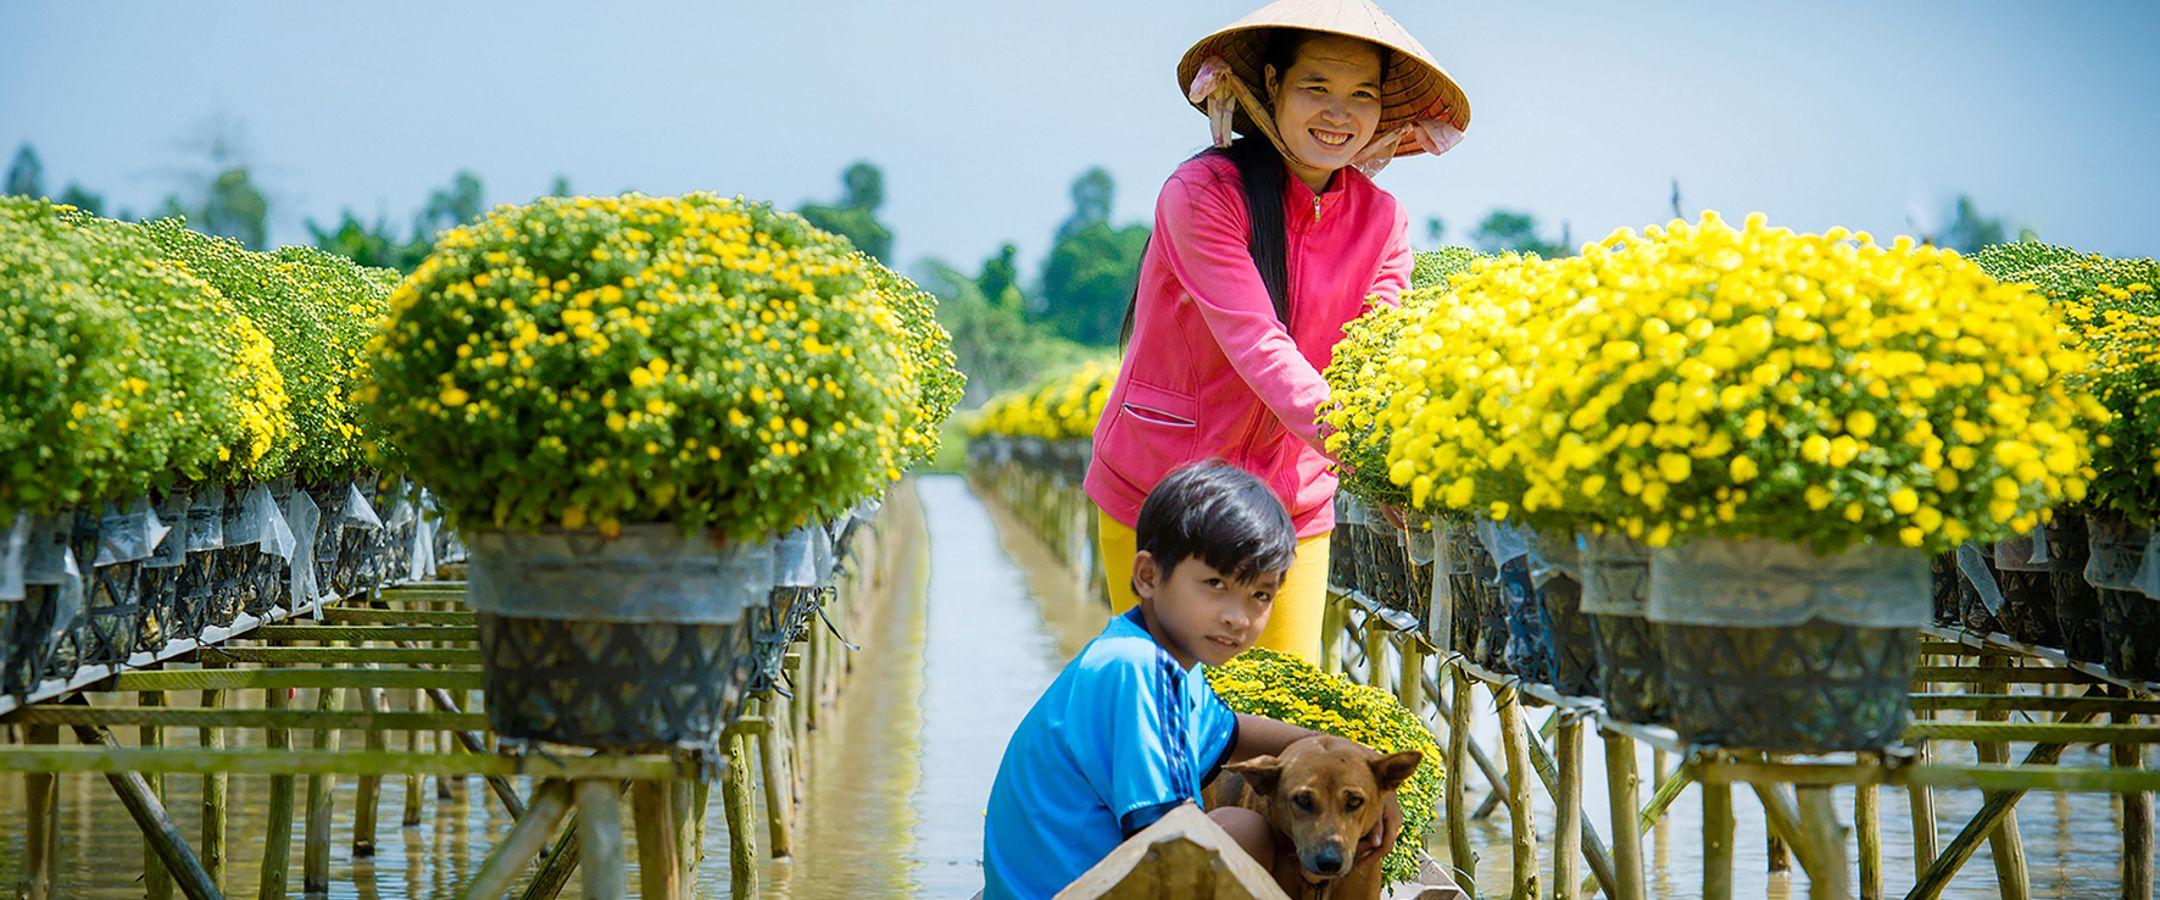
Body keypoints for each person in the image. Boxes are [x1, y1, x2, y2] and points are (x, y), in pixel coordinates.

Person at [1083, 0, 1472, 663]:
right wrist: (1364, 455)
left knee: (1283, 705)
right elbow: (1259, 344)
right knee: (1160, 699)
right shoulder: (1202, 193)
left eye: (1362, 94)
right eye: (1316, 87)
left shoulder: (1384, 222)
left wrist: (1399, 459)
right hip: (1161, 490)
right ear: (1272, 85)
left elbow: (1374, 361)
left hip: (1291, 502)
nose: (1338, 113)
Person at [982, 461, 1401, 899]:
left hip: (1057, 884)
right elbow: (1171, 842)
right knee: (1237, 838)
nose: (1237, 617)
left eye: (1260, 595)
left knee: (1245, 829)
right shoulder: (1136, 670)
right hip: (1063, 891)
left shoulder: (1153, 655)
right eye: (1215, 584)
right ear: (1148, 576)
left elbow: (1234, 733)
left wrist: (1365, 768)